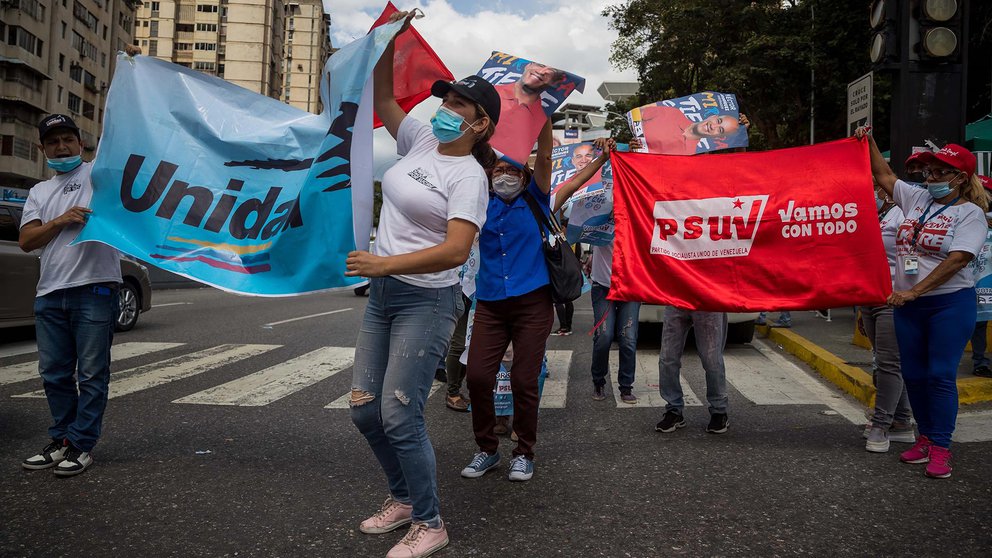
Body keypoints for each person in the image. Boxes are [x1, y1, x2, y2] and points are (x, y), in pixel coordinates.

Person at [345, 11, 497, 557]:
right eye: (446, 101)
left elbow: (457, 249)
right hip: (384, 298)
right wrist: (388, 37)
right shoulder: (422, 140)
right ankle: (405, 499)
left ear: (481, 124)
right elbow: (386, 98)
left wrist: (382, 265)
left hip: (427, 301)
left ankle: (431, 523)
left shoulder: (470, 177)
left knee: (399, 413)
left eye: (459, 106)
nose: (446, 110)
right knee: (364, 408)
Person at [859, 128, 988, 479]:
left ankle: (942, 447)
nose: (931, 178)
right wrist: (868, 141)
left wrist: (915, 291)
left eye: (940, 172)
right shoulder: (917, 199)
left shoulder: (970, 214)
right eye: (929, 171)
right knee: (914, 375)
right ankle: (926, 438)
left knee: (939, 375)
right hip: (909, 308)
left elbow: (959, 259)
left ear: (960, 178)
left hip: (948, 306)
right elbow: (885, 176)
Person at [18, 114, 123, 477]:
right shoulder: (39, 192)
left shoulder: (99, 175)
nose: (61, 147)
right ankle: (62, 439)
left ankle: (81, 444)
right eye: (53, 142)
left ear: (81, 143)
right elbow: (26, 240)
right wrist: (60, 220)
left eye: (68, 139)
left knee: (92, 374)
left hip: (95, 289)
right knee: (54, 375)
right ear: (42, 149)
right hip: (50, 293)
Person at [461, 120, 556, 483]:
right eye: (498, 170)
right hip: (490, 303)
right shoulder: (481, 204)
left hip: (532, 304)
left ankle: (524, 453)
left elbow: (544, 156)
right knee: (478, 376)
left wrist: (543, 116)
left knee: (524, 380)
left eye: (511, 170)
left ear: (524, 176)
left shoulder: (536, 199)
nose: (504, 176)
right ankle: (487, 449)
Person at [861, 178, 915, 453]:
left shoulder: (904, 215)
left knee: (887, 363)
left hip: (893, 298)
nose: (871, 191)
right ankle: (902, 422)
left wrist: (909, 290)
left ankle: (881, 425)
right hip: (870, 297)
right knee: (886, 361)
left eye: (874, 186)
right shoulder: (876, 215)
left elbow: (912, 256)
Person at [490, 62, 565, 164]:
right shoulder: (488, 92)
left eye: (551, 71)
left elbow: (545, 156)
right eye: (540, 65)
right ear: (528, 65)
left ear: (555, 82)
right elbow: (545, 157)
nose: (542, 72)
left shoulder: (542, 117)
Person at [639, 105, 740, 155]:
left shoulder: (690, 154)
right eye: (718, 121)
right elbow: (636, 115)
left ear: (719, 137)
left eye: (720, 130)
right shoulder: (673, 113)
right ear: (713, 116)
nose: (713, 126)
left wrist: (743, 132)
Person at [969, 175, 992, 378]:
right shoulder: (965, 218)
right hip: (972, 283)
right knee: (978, 323)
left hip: (987, 281)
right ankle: (980, 362)